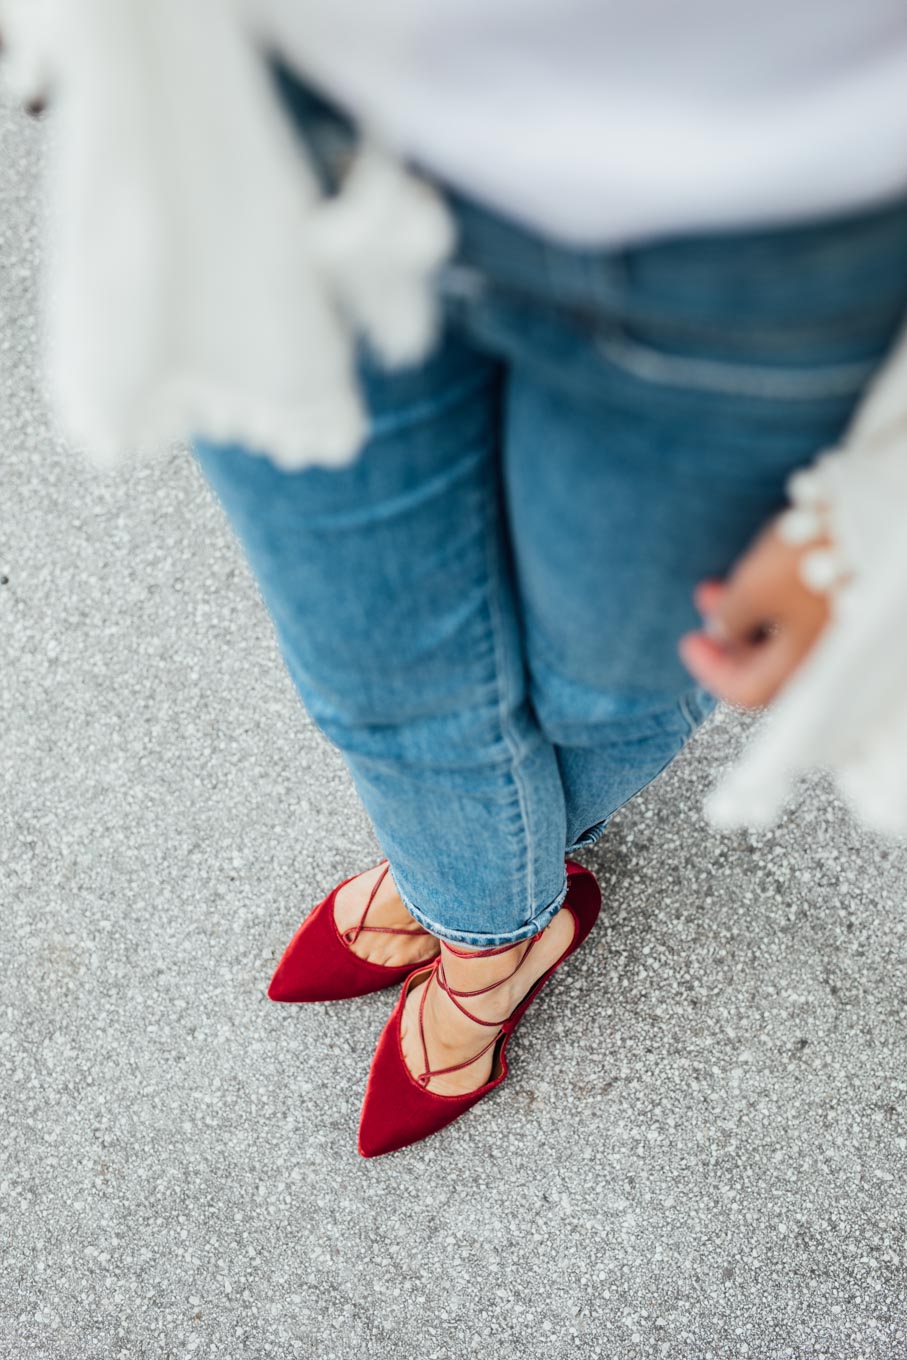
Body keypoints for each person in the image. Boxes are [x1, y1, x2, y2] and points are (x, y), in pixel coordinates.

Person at [7, 2, 907, 1156]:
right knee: (377, 676)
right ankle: (491, 927)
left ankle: (475, 896)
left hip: (780, 231)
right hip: (290, 122)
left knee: (612, 679)